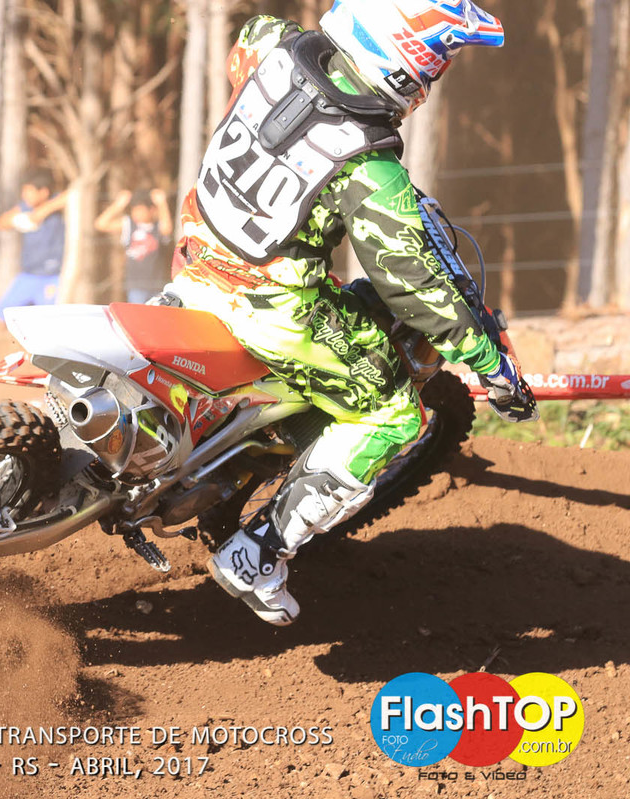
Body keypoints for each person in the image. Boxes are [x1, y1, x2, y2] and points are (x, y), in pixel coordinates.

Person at [165, 1, 535, 626]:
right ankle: (258, 553)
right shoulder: (367, 165)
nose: (433, 78)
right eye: (436, 65)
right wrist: (491, 364)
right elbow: (418, 284)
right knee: (391, 412)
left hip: (196, 254)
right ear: (406, 64)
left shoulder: (273, 46)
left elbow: (248, 47)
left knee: (345, 310)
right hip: (272, 308)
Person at [0, 169, 69, 325]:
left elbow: (71, 195)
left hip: (53, 277)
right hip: (28, 275)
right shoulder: (24, 208)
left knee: (50, 323)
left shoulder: (58, 202)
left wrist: (44, 210)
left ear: (44, 192)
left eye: (29, 191)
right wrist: (29, 218)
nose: (24, 195)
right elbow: (1, 223)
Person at [95, 188, 174, 304]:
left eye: (140, 210)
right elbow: (101, 224)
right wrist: (118, 205)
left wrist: (162, 204)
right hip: (135, 286)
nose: (136, 214)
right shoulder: (129, 226)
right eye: (134, 210)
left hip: (156, 285)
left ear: (151, 210)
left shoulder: (157, 228)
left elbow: (167, 229)